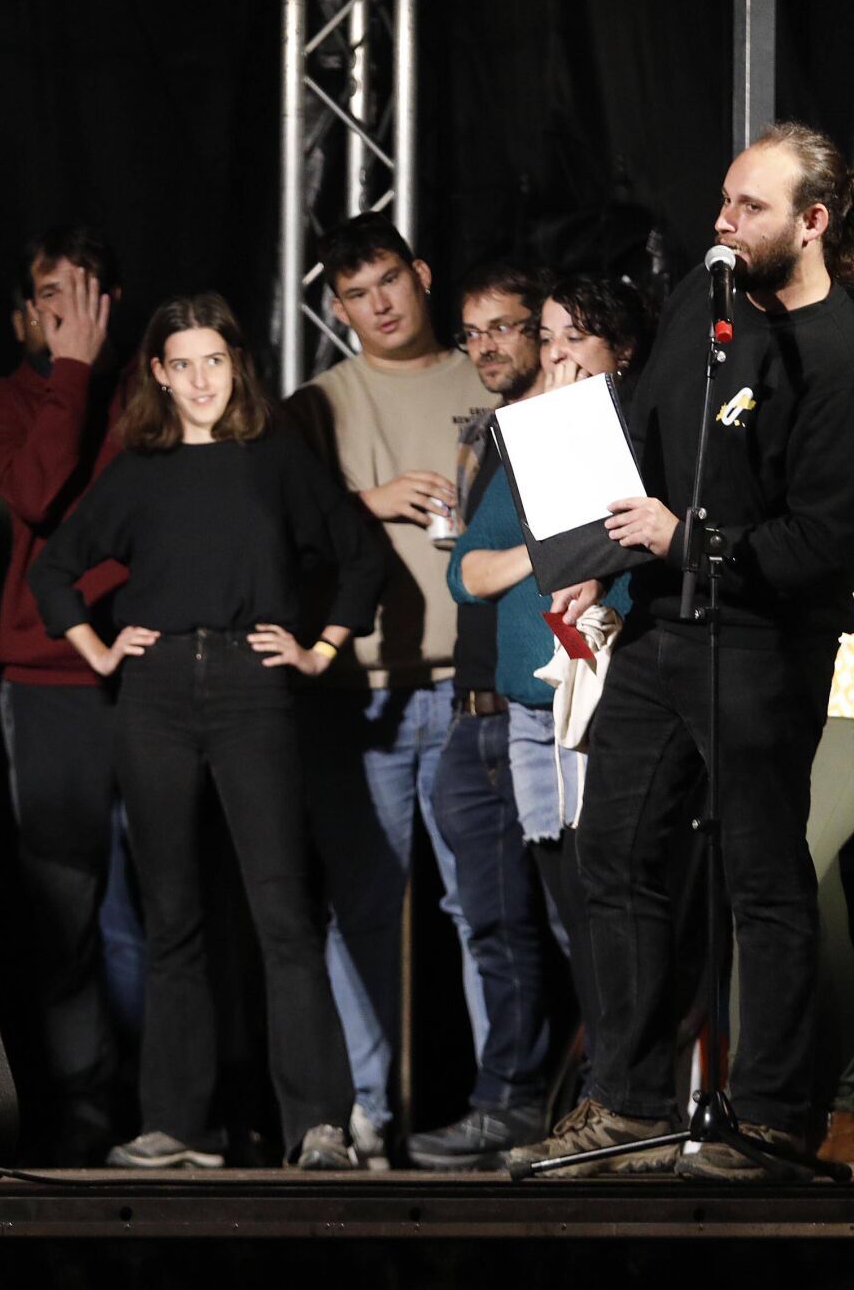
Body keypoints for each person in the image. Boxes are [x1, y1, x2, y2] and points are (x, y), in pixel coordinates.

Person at [517, 122, 854, 1180]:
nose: (721, 225)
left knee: (762, 878)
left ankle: (774, 1118)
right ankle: (628, 1104)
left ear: (812, 223)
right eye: (721, 201)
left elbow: (824, 549)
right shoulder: (705, 294)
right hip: (660, 628)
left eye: (749, 209)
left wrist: (686, 540)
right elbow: (643, 424)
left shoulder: (843, 361)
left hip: (764, 644)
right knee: (617, 852)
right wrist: (596, 552)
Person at [31, 292, 386, 1171]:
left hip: (251, 686)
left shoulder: (275, 458)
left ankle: (319, 1126)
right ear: (157, 372)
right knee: (174, 916)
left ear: (238, 365)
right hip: (153, 694)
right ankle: (177, 1126)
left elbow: (359, 550)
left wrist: (318, 648)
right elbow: (56, 569)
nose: (200, 381)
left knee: (281, 909)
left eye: (214, 362)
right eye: (181, 364)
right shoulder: (140, 465)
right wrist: (104, 651)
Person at [415, 273, 651, 1169]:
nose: (553, 357)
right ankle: (603, 1100)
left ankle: (627, 1098)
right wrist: (544, 549)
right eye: (546, 340)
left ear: (618, 353)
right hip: (529, 711)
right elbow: (468, 573)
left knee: (608, 903)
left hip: (602, 701)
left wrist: (564, 546)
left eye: (572, 340)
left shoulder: (633, 436)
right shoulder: (532, 446)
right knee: (566, 908)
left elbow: (622, 554)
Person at [282, 214, 500, 1160]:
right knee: (363, 902)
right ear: (336, 306)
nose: (377, 307)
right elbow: (282, 527)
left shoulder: (486, 375)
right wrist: (368, 502)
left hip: (469, 689)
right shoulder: (314, 403)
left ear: (420, 275)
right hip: (358, 694)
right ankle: (364, 1103)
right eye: (355, 296)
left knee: (484, 904)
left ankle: (507, 1099)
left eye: (389, 285)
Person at [0, 227, 146, 1164]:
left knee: (155, 905)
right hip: (48, 683)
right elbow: (39, 495)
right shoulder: (8, 399)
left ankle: (164, 1105)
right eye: (49, 294)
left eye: (82, 292)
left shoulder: (150, 392)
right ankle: (85, 1111)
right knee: (66, 912)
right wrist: (71, 373)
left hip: (153, 673)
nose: (65, 311)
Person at [404, 261, 553, 1168]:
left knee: (581, 915)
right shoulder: (491, 434)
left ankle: (619, 1094)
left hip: (537, 711)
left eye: (505, 327)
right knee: (492, 922)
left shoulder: (563, 430)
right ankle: (511, 1100)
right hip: (472, 715)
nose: (487, 345)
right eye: (474, 331)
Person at [734, 464, 854, 1177]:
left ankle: (782, 1109)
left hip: (850, 708)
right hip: (768, 709)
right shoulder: (739, 457)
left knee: (778, 880)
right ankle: (821, 1111)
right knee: (804, 896)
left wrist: (788, 573)